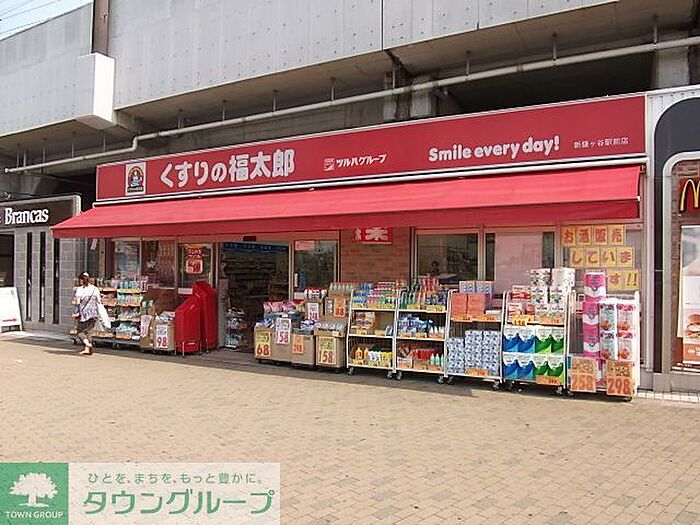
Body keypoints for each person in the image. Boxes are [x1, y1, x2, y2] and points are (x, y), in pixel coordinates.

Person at [73, 272, 101, 356]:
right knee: (89, 332)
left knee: (80, 331)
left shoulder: (80, 289)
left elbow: (78, 303)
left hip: (84, 313)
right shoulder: (95, 289)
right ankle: (87, 350)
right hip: (94, 313)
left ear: (81, 280)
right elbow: (99, 301)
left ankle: (88, 344)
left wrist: (76, 312)